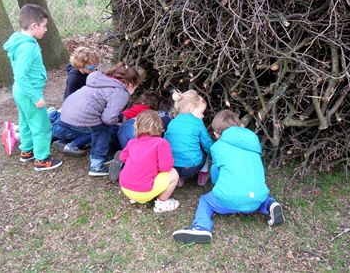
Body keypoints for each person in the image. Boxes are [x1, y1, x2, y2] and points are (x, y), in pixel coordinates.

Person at [172, 110, 285, 243]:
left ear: (216, 134)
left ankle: (201, 227)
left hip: (228, 199)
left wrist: (217, 183)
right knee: (258, 197)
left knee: (205, 201)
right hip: (257, 197)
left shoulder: (218, 147)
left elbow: (215, 177)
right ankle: (270, 204)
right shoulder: (253, 140)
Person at [52, 62, 140, 176]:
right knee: (104, 130)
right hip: (83, 119)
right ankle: (97, 165)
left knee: (94, 127)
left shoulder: (99, 80)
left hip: (65, 115)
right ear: (129, 83)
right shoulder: (120, 92)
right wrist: (118, 121)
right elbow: (108, 119)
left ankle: (70, 143)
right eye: (135, 86)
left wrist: (118, 117)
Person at [3, 4, 62, 171]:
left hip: (20, 91)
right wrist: (36, 97)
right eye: (44, 26)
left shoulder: (19, 41)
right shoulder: (28, 47)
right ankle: (42, 159)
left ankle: (27, 150)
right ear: (34, 26)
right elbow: (21, 75)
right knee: (41, 124)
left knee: (25, 121)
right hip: (29, 92)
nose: (46, 29)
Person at [119, 110, 180, 212]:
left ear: (136, 125)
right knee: (174, 174)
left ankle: (134, 197)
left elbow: (122, 157)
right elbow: (165, 168)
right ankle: (162, 203)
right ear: (159, 126)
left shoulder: (132, 142)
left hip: (126, 188)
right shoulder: (161, 143)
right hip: (143, 190)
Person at [164, 90, 213, 186]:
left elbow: (167, 141)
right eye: (202, 112)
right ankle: (203, 174)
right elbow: (207, 144)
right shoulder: (198, 122)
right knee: (204, 146)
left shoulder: (173, 121)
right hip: (191, 167)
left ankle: (178, 178)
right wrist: (214, 156)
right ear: (192, 109)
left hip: (173, 167)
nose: (203, 116)